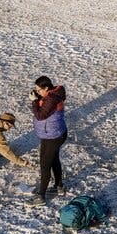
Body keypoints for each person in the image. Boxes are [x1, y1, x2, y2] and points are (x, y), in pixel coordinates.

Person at [29, 75, 68, 206]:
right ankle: (59, 186)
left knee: (45, 165)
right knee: (53, 160)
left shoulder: (51, 99)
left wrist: (34, 101)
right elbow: (44, 105)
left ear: (46, 88)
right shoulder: (51, 95)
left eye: (39, 90)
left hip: (54, 136)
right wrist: (38, 97)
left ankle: (41, 196)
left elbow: (40, 115)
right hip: (52, 134)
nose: (37, 92)